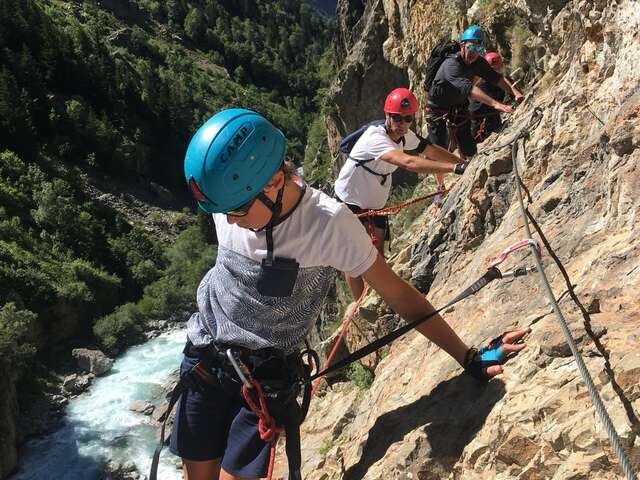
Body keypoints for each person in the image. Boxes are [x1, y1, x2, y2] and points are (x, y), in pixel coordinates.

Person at [172, 108, 530, 480]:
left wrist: (469, 357)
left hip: (261, 381)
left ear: (275, 180)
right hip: (204, 358)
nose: (229, 220)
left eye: (238, 211)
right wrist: (235, 207)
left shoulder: (329, 226)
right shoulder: (231, 195)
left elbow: (400, 295)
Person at [334, 88, 468, 298]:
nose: (402, 124)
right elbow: (408, 162)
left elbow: (429, 149)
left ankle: (378, 297)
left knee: (376, 255)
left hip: (374, 204)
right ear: (387, 115)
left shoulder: (405, 136)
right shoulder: (375, 138)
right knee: (353, 258)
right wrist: (453, 169)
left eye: (407, 119)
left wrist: (462, 163)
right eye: (397, 118)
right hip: (350, 201)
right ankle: (358, 304)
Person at [426, 26, 524, 188]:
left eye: (478, 48)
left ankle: (471, 175)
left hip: (458, 106)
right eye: (471, 47)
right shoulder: (452, 65)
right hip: (437, 109)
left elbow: (496, 78)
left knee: (468, 145)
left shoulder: (478, 62)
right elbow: (469, 90)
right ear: (462, 45)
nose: (474, 52)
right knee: (439, 150)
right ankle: (440, 189)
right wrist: (497, 105)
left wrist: (515, 92)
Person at [469, 52, 509, 142]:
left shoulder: (495, 80)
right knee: (476, 140)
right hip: (480, 117)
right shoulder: (484, 84)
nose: (498, 70)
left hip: (488, 113)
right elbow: (491, 103)